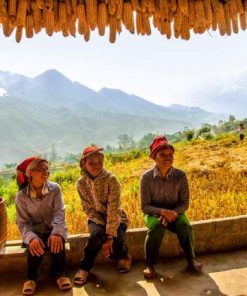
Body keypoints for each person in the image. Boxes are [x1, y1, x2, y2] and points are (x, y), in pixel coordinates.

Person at [140, 136, 202, 279]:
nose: (167, 158)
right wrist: (162, 212)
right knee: (156, 227)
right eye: (162, 155)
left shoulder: (181, 176)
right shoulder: (146, 178)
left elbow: (184, 203)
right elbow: (145, 206)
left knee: (184, 225)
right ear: (154, 157)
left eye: (170, 155)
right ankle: (149, 264)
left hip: (176, 212)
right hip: (153, 214)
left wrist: (172, 213)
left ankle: (191, 259)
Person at [74, 145, 132, 285]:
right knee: (96, 236)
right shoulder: (81, 183)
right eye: (91, 163)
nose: (96, 166)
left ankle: (124, 254)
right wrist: (102, 228)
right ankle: (84, 267)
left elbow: (114, 209)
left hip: (116, 217)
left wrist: (110, 235)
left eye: (99, 162)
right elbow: (87, 208)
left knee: (115, 244)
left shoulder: (112, 180)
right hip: (96, 218)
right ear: (84, 164)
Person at [15, 156, 72, 295]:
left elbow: (59, 213)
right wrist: (31, 238)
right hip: (35, 231)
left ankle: (61, 274)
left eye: (47, 169)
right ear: (30, 174)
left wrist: (57, 232)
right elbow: (23, 223)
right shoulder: (21, 196)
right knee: (35, 247)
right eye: (40, 169)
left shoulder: (55, 189)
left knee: (57, 242)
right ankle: (31, 278)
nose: (45, 172)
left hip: (54, 227)